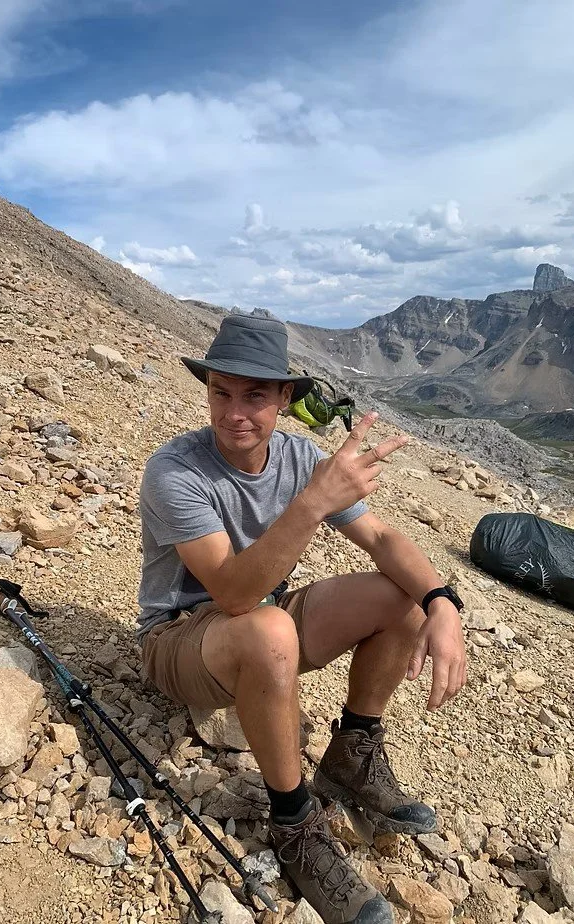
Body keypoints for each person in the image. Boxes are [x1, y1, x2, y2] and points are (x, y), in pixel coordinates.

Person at [138, 315, 467, 924]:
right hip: (180, 638)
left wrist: (443, 601)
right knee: (267, 627)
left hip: (266, 622)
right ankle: (293, 822)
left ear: (285, 399)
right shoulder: (175, 471)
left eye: (255, 396)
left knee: (401, 598)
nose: (235, 413)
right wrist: (314, 502)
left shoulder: (296, 456)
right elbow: (234, 594)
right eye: (221, 393)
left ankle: (352, 754)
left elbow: (384, 538)